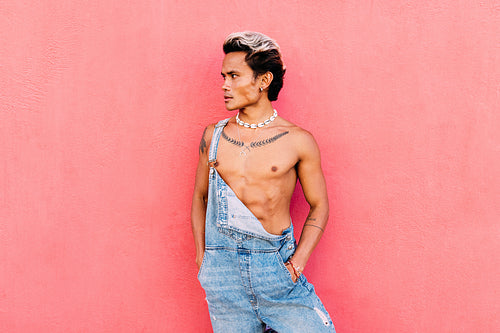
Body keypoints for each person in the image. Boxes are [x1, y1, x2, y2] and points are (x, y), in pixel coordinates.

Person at [191, 31, 336, 332]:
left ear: (263, 81)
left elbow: (320, 205)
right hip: (223, 273)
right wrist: (203, 258)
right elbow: (200, 197)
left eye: (233, 76)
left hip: (275, 269)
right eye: (224, 76)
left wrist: (297, 264)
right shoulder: (213, 136)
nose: (224, 85)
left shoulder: (298, 141)